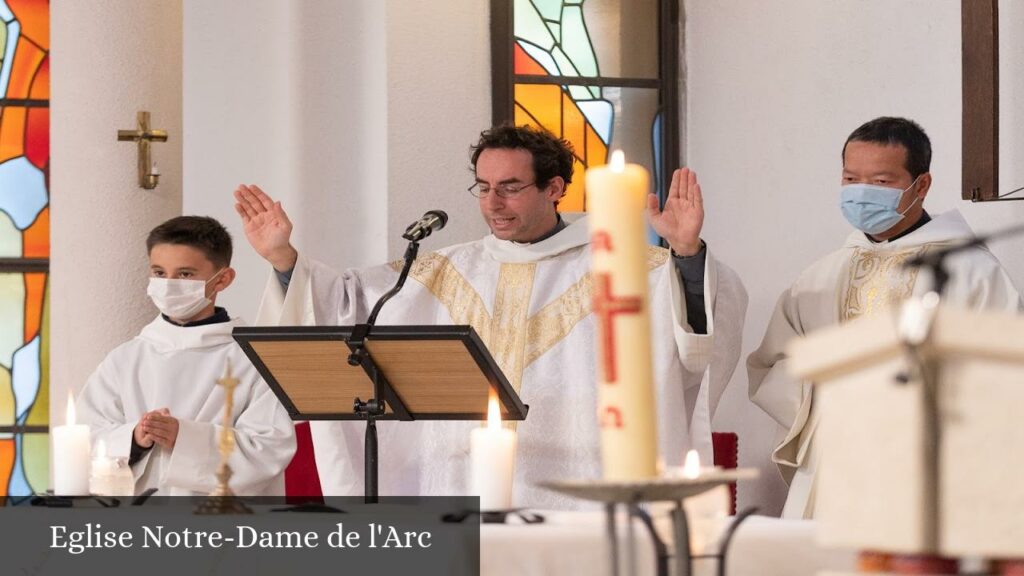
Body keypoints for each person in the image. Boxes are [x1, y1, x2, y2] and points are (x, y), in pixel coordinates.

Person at [235, 125, 747, 507]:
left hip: (575, 495)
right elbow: (344, 304)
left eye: (510, 187)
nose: (493, 204)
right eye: (483, 187)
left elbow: (699, 333)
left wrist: (686, 253)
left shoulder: (626, 268)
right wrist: (284, 259)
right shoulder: (443, 268)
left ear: (555, 189)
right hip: (457, 489)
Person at [748, 116, 1022, 519]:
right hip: (836, 457)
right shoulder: (822, 275)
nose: (861, 193)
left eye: (880, 182)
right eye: (850, 179)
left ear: (921, 185)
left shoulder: (973, 272)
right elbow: (773, 364)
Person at [77, 216, 296, 496]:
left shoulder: (255, 359)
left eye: (185, 274)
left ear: (223, 280)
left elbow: (268, 450)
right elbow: (86, 437)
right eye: (159, 273)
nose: (168, 284)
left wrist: (185, 439)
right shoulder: (126, 358)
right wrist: (134, 439)